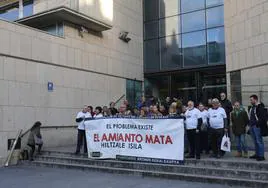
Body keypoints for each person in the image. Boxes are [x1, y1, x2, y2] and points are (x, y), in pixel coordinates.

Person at [248, 95, 267, 161]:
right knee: (255, 141)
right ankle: (257, 154)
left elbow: (263, 117)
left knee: (259, 141)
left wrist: (257, 124)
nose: (250, 101)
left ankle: (261, 156)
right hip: (252, 126)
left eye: (251, 100)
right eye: (250, 100)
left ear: (255, 100)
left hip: (257, 127)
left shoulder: (260, 107)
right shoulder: (252, 107)